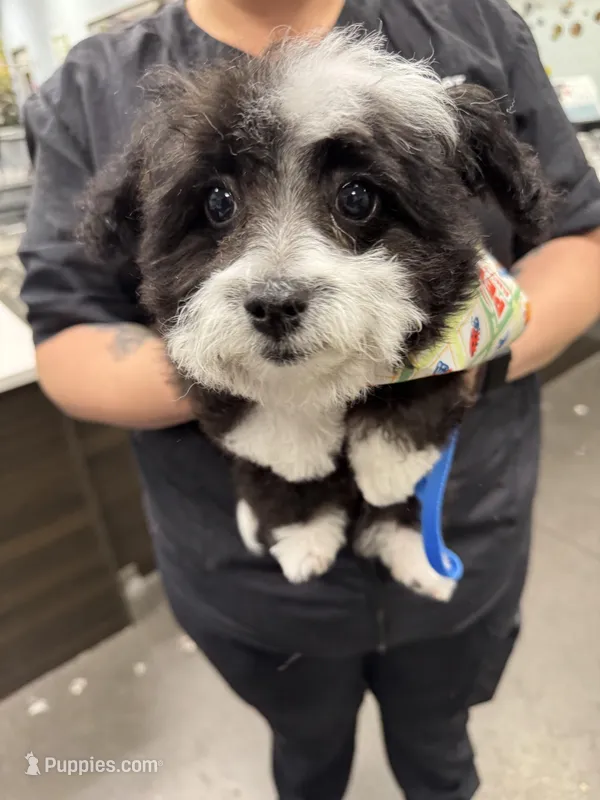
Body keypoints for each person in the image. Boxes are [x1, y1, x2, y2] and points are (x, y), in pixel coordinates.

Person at [19, 1, 600, 798]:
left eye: (356, 202)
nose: (276, 282)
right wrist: (245, 382)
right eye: (220, 210)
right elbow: (67, 340)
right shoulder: (89, 87)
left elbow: (577, 234)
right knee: (304, 753)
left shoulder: (477, 27)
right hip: (250, 582)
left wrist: (457, 364)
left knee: (442, 749)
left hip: (464, 532)